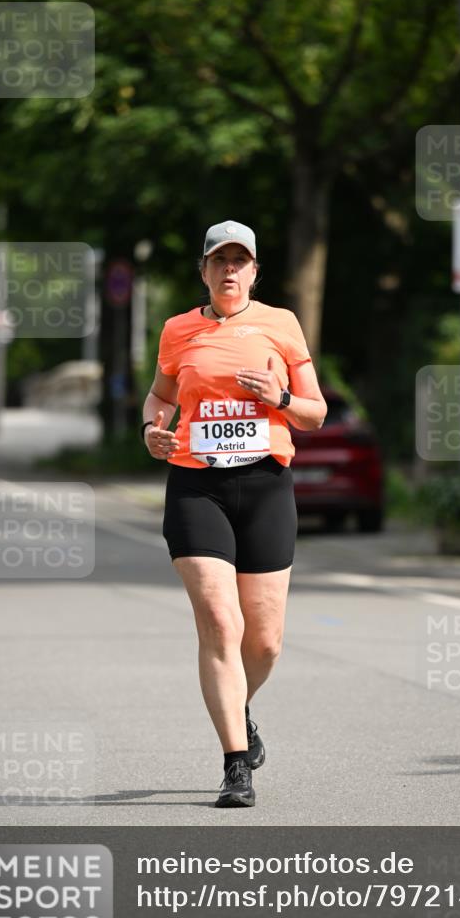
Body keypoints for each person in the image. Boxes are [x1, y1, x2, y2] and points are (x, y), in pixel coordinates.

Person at [142, 220, 327, 807]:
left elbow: (315, 413)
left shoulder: (281, 325)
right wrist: (152, 429)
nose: (229, 270)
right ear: (203, 270)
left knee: (265, 640)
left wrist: (278, 399)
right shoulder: (178, 331)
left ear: (253, 271)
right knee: (222, 623)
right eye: (218, 260)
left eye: (239, 260)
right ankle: (235, 764)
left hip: (266, 485)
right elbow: (160, 397)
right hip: (198, 487)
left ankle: (238, 706)